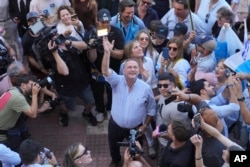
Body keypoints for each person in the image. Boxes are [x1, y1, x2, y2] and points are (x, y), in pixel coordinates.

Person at [101, 36, 156, 167]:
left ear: (138, 71)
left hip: (136, 128)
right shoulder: (116, 81)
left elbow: (151, 110)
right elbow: (105, 71)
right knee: (113, 147)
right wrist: (107, 52)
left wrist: (144, 126)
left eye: (135, 68)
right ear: (123, 70)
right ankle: (116, 161)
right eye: (129, 67)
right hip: (115, 125)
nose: (132, 69)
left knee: (136, 151)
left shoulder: (145, 88)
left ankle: (135, 163)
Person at [45, 30, 97, 127]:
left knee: (90, 101)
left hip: (82, 81)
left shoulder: (68, 40)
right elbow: (64, 71)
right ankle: (63, 114)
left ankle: (87, 113)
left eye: (56, 34)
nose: (56, 37)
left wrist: (69, 42)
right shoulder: (50, 53)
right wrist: (55, 53)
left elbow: (85, 46)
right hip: (67, 86)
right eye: (53, 37)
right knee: (69, 106)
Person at [90, 8, 125, 122]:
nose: (105, 24)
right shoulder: (92, 33)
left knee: (112, 90)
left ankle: (110, 108)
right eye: (102, 22)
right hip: (96, 69)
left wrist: (109, 50)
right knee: (97, 91)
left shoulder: (117, 32)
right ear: (97, 20)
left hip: (112, 69)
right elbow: (91, 58)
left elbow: (120, 54)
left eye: (107, 22)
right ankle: (100, 109)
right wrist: (93, 46)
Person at [0, 74, 41, 151]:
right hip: (1, 136)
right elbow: (33, 114)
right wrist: (34, 94)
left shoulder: (14, 90)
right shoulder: (18, 97)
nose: (34, 87)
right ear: (23, 85)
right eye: (32, 85)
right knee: (16, 156)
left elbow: (30, 109)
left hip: (5, 129)